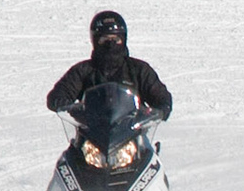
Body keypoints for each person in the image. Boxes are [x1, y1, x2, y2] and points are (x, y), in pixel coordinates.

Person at [45, 10, 173, 120]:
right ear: (95, 41)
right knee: (73, 150)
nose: (110, 44)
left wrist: (159, 110)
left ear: (123, 40)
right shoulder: (83, 71)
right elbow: (59, 94)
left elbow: (160, 96)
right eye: (104, 40)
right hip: (92, 133)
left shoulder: (139, 70)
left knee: (147, 150)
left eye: (115, 40)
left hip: (132, 133)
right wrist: (69, 107)